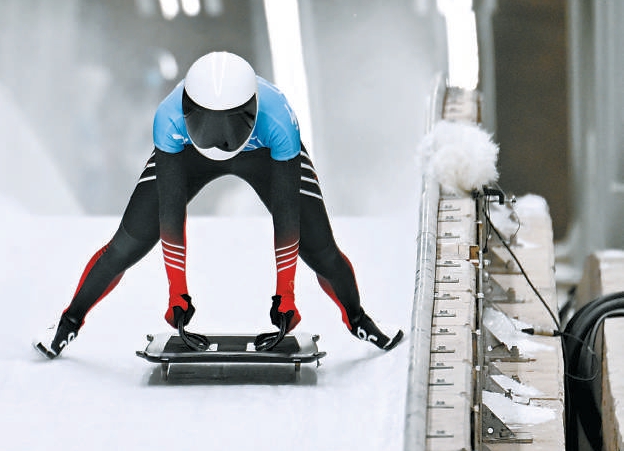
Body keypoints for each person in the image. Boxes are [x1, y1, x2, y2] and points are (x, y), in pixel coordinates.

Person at [35, 51, 404, 359]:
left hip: (264, 153)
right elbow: (171, 213)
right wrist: (177, 292)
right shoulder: (168, 118)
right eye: (207, 125)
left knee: (320, 250)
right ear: (187, 109)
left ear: (251, 111)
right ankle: (68, 322)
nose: (219, 141)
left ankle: (359, 320)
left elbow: (287, 218)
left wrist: (285, 295)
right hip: (185, 154)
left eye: (229, 127)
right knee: (128, 244)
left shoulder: (278, 117)